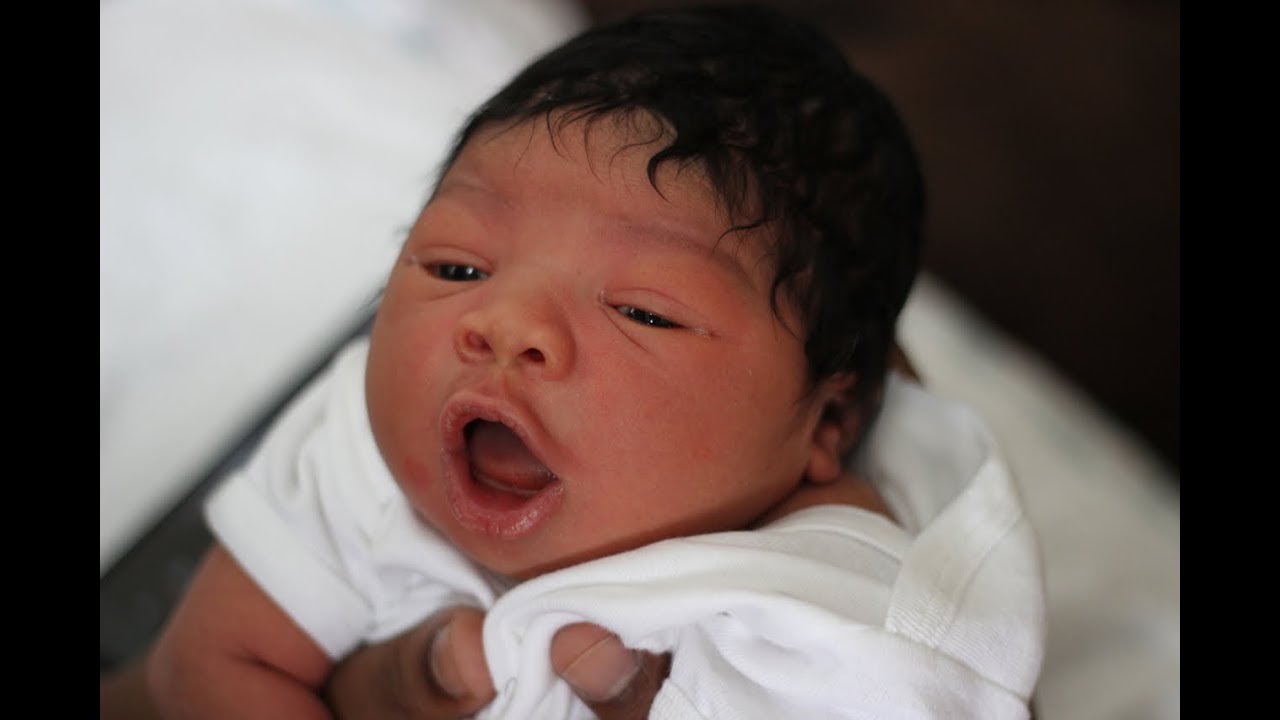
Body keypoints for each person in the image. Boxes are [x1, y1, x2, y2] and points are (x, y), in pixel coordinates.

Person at [103, 4, 1045, 718]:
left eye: (643, 312)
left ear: (827, 422)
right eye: (457, 266)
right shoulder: (355, 454)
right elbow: (213, 666)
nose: (503, 321)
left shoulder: (829, 607)